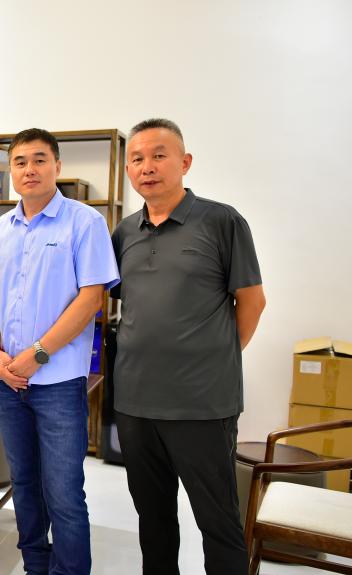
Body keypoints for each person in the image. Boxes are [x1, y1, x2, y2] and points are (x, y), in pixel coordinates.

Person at [111, 118, 266, 574]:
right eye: (137, 158)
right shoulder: (124, 232)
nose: (147, 167)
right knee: (153, 519)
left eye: (159, 155)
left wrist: (215, 358)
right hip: (136, 403)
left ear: (185, 162)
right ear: (128, 169)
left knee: (218, 522)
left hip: (202, 404)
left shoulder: (222, 221)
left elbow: (252, 301)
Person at [0, 128, 119, 574]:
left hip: (56, 382)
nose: (30, 169)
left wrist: (36, 355)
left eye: (39, 160)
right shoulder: (0, 228)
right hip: (7, 381)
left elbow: (91, 298)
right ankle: (35, 567)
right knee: (24, 484)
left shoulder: (84, 222)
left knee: (63, 492)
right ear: (11, 171)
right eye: (20, 162)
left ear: (57, 166)